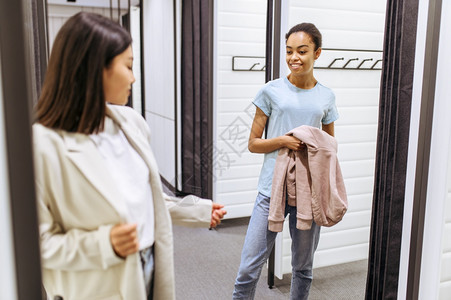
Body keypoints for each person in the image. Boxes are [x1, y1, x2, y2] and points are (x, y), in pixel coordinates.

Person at [33, 12, 226, 300]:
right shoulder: (43, 145)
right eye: (128, 65)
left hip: (148, 264)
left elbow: (146, 197)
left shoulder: (130, 123)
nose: (134, 78)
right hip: (97, 285)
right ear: (96, 69)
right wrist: (104, 245)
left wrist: (196, 211)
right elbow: (36, 245)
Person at [232, 23, 339, 300]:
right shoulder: (270, 91)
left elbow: (328, 148)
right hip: (271, 190)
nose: (294, 58)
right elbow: (253, 144)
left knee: (303, 268)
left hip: (308, 192)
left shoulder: (326, 96)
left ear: (317, 54)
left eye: (302, 51)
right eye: (289, 51)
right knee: (248, 267)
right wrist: (284, 141)